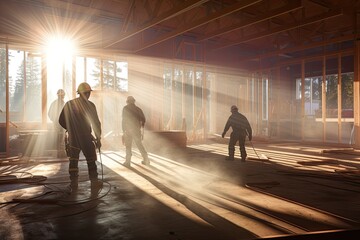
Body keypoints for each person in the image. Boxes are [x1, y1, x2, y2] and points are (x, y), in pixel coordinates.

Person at [59, 82, 102, 192]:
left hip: (73, 138)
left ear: (79, 93)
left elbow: (61, 120)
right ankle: (94, 183)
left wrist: (71, 129)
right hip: (86, 138)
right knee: (91, 160)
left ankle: (74, 184)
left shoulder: (69, 104)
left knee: (73, 161)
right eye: (88, 93)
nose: (89, 95)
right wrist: (98, 138)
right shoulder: (90, 105)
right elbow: (96, 123)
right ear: (87, 93)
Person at [122, 96, 149, 167]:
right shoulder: (138, 109)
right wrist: (140, 126)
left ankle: (128, 162)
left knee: (128, 146)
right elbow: (143, 119)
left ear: (127, 101)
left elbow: (124, 120)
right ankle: (146, 160)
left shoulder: (125, 108)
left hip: (128, 130)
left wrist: (123, 130)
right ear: (134, 101)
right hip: (136, 130)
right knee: (139, 145)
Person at [48, 89, 66, 157]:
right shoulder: (60, 103)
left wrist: (54, 120)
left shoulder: (57, 103)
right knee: (60, 139)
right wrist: (55, 120)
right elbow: (50, 114)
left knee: (59, 139)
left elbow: (49, 114)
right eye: (62, 95)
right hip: (59, 124)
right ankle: (61, 154)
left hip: (59, 124)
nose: (62, 96)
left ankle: (60, 154)